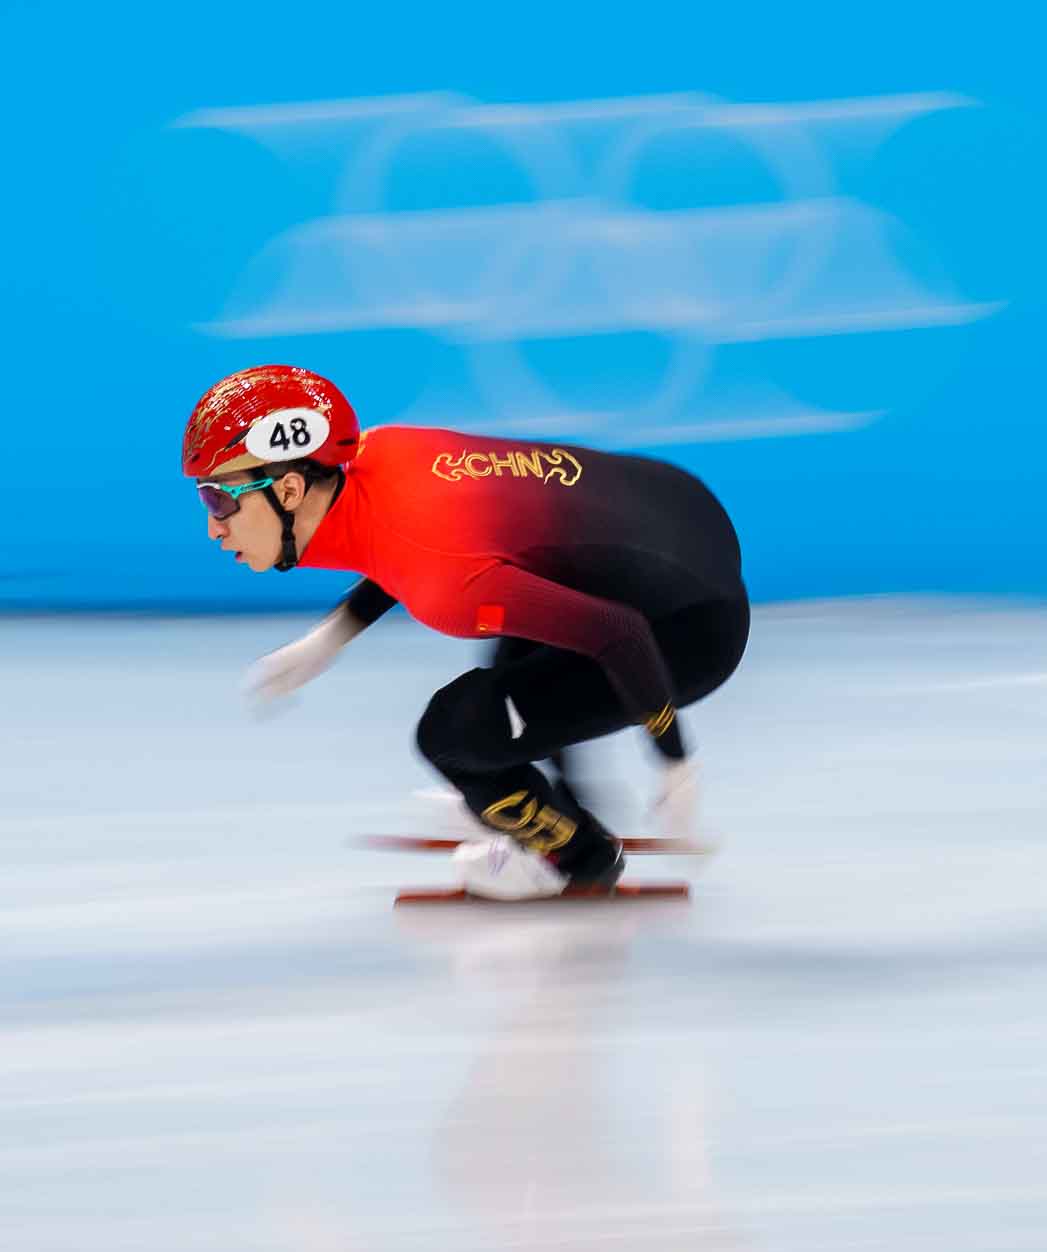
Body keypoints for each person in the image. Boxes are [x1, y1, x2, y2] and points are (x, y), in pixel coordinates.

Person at [183, 365, 749, 897]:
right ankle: (537, 800)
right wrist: (329, 638)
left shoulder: (447, 580)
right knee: (516, 650)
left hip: (689, 629)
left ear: (288, 492)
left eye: (218, 499)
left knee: (454, 734)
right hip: (674, 509)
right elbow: (403, 546)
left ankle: (575, 855)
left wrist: (675, 762)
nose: (211, 528)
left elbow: (616, 633)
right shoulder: (382, 452)